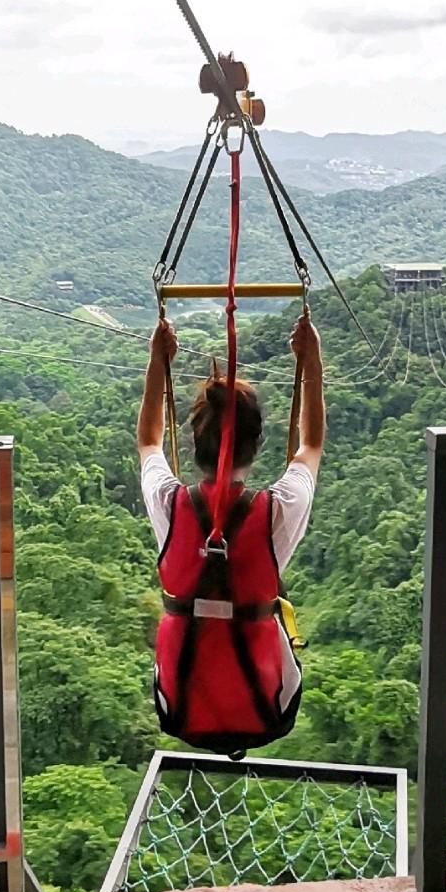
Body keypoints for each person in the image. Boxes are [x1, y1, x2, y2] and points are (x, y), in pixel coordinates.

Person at [137, 312, 325, 753]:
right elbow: (310, 445)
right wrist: (311, 361)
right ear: (257, 444)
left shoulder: (171, 504)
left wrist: (157, 361)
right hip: (265, 705)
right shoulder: (278, 511)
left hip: (181, 703)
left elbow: (148, 441)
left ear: (194, 444)